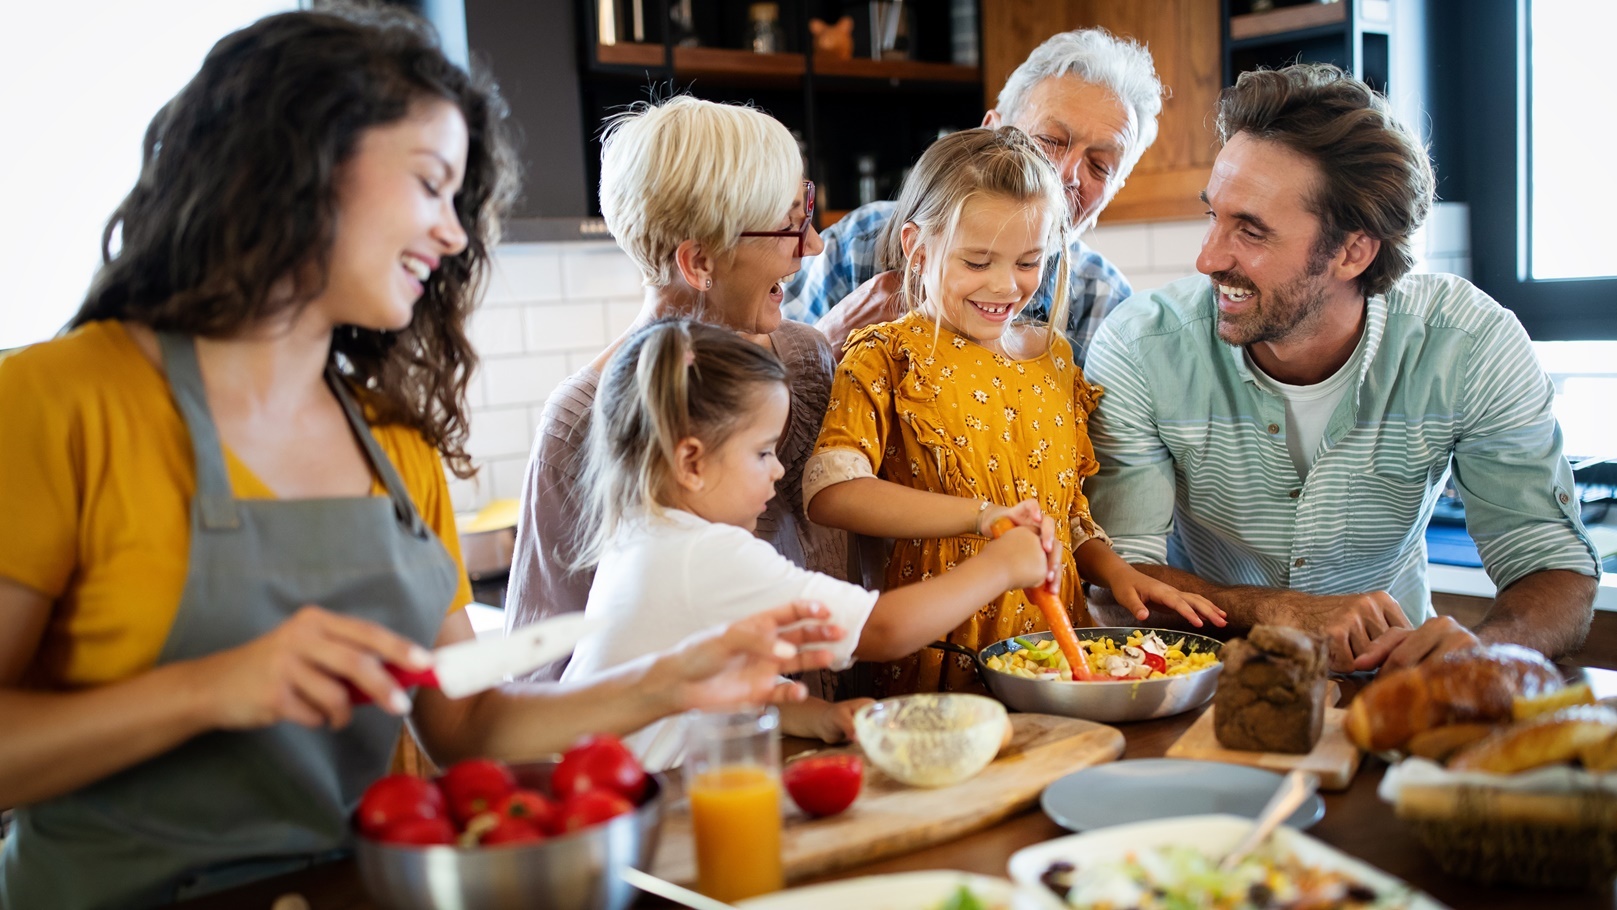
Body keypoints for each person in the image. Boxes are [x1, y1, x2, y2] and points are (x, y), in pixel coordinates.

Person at [0, 10, 843, 908]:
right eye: (431, 186)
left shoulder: (390, 437)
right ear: (297, 166)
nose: (449, 235)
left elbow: (467, 722)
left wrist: (672, 679)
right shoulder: (56, 402)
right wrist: (208, 690)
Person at [1084, 63, 1599, 675]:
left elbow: (1555, 567)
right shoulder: (1144, 345)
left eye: (1250, 230)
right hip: (1208, 692)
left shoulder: (1470, 345)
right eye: (1212, 216)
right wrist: (1278, 610)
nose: (1207, 257)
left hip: (1394, 686)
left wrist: (1484, 652)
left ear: (1354, 251)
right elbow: (1115, 586)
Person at [803, 127, 1223, 695]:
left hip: (1055, 654)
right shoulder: (885, 357)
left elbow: (1064, 515)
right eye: (977, 262)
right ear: (917, 248)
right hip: (934, 659)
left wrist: (1119, 573)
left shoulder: (1054, 361)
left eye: (1029, 262)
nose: (1005, 286)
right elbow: (830, 492)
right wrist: (981, 517)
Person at [563, 317, 1051, 769]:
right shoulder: (704, 554)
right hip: (639, 808)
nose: (778, 469)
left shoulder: (645, 536)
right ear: (692, 463)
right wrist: (1001, 566)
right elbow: (880, 631)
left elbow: (700, 674)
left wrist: (806, 714)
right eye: (761, 452)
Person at [505, 96, 848, 683]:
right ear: (699, 261)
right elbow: (536, 675)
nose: (812, 245)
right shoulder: (582, 422)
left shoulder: (809, 358)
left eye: (806, 209)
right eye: (789, 223)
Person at [782, 27, 1165, 357]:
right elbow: (751, 386)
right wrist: (825, 341)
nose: (1068, 175)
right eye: (1050, 140)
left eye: (1099, 166)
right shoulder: (859, 245)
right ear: (989, 133)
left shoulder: (1104, 302)